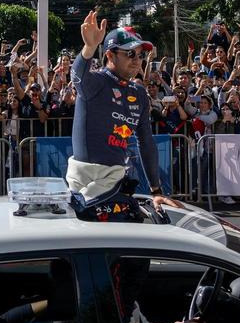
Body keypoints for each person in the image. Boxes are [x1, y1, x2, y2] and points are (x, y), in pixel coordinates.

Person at [66, 11, 175, 215]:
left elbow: (146, 142)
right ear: (110, 54)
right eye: (130, 53)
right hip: (82, 181)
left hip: (113, 179)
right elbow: (77, 78)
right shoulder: (95, 82)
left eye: (141, 54)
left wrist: (156, 190)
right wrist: (89, 49)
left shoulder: (140, 93)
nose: (136, 60)